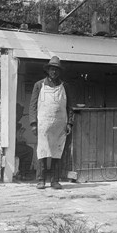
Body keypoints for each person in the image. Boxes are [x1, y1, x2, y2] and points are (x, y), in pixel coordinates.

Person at [29, 56, 74, 190]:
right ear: (48, 70)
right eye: (52, 69)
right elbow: (32, 105)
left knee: (57, 152)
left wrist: (69, 123)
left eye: (56, 70)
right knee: (42, 152)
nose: (54, 72)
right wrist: (33, 123)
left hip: (60, 126)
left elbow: (70, 106)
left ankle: (55, 180)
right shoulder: (39, 85)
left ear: (59, 72)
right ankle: (41, 180)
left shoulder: (65, 86)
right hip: (43, 124)